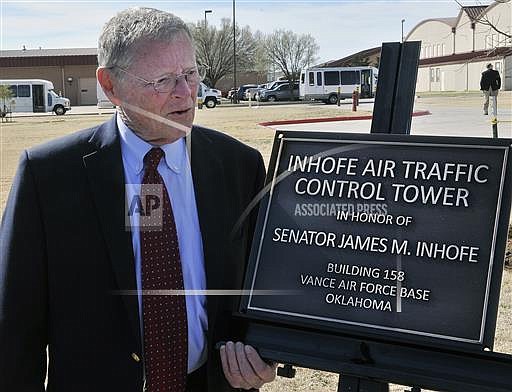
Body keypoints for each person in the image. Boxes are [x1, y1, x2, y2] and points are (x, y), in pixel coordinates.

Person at [0, 7, 276, 392]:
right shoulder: (48, 176)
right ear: (110, 86)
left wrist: (264, 351)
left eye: (191, 74)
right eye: (163, 80)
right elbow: (14, 325)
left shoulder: (240, 166)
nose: (186, 93)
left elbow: (259, 288)